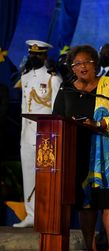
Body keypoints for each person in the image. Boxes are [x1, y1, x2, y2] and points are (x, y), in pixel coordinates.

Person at [52, 45, 109, 251]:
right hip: (78, 153)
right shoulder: (67, 89)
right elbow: (57, 118)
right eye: (77, 64)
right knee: (86, 204)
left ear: (95, 64)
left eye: (87, 62)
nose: (82, 67)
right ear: (71, 68)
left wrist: (102, 124)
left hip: (108, 155)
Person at [13, 40, 62, 228]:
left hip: (45, 135)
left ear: (45, 56)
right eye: (31, 54)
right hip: (26, 135)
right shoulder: (25, 78)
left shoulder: (53, 79)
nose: (34, 57)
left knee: (46, 177)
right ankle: (31, 214)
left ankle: (46, 214)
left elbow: (56, 110)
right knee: (28, 174)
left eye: (38, 54)